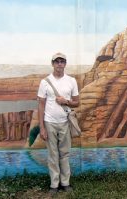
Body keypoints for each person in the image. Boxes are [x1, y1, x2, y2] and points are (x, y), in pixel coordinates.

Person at [37, 52, 79, 194]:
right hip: (49, 122)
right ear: (52, 63)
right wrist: (42, 127)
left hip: (65, 122)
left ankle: (65, 183)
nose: (59, 64)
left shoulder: (71, 81)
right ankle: (54, 185)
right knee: (53, 154)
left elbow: (77, 102)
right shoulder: (45, 82)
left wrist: (66, 101)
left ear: (65, 64)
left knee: (65, 154)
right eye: (57, 61)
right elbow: (41, 105)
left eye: (62, 61)